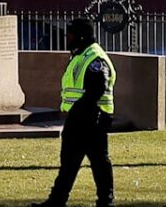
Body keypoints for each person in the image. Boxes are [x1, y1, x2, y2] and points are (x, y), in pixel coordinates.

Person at [33, 17, 116, 207]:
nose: (67, 39)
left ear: (80, 36)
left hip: (92, 117)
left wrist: (79, 110)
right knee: (70, 162)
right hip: (80, 117)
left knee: (98, 162)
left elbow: (98, 88)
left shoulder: (95, 57)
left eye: (70, 35)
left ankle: (105, 201)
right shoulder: (81, 55)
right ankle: (57, 200)